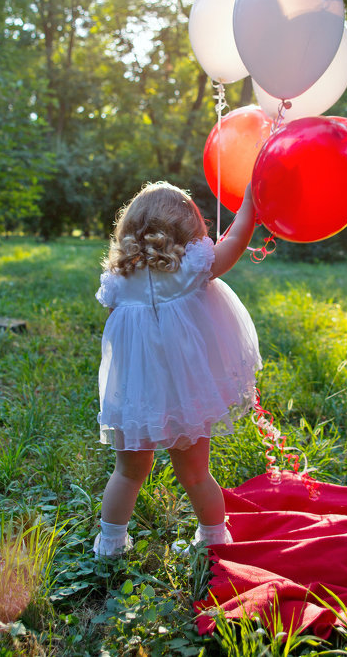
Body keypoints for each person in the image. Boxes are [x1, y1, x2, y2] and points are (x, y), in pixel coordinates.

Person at [93, 180, 261, 558]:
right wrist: (250, 203)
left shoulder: (117, 281)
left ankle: (110, 544)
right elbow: (235, 243)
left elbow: (119, 325)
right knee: (196, 474)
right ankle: (214, 537)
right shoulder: (193, 268)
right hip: (185, 393)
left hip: (136, 394)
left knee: (128, 472)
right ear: (187, 230)